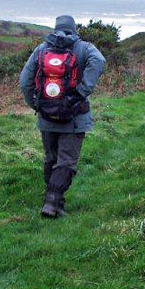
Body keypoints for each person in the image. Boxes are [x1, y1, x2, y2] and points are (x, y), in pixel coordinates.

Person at [20, 15, 106, 218]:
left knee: (51, 158)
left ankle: (55, 202)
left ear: (56, 28)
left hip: (46, 116)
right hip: (74, 117)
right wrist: (82, 91)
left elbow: (25, 81)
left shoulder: (41, 49)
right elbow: (99, 61)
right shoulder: (85, 48)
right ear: (74, 29)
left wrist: (37, 105)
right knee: (66, 162)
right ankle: (51, 204)